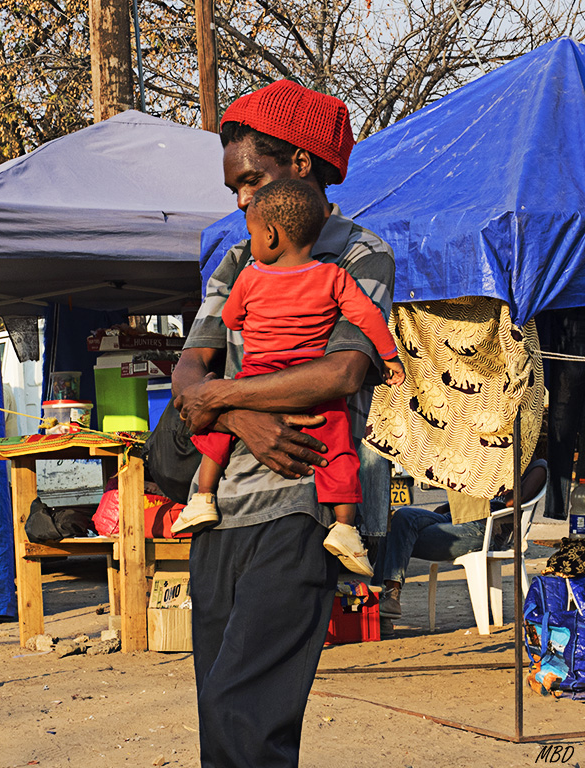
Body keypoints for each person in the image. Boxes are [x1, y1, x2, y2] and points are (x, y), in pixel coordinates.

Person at [170, 79, 396, 768]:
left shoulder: (360, 255)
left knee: (250, 710)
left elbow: (342, 373)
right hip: (220, 515)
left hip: (303, 504)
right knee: (219, 714)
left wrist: (226, 399)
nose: (240, 201)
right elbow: (187, 374)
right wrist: (237, 416)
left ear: (301, 164)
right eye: (235, 187)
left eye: (251, 180)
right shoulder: (237, 259)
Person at [171, 179, 405, 579]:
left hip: (257, 373)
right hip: (308, 382)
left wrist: (243, 328)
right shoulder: (334, 277)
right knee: (340, 453)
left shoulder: (248, 275)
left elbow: (229, 319)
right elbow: (367, 318)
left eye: (251, 233)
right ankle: (346, 527)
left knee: (215, 437)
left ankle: (203, 498)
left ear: (272, 235)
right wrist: (390, 359)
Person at [378, 455, 548, 619]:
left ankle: (390, 597)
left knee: (396, 536)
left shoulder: (537, 467)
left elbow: (513, 501)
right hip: (457, 518)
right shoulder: (496, 460)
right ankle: (384, 603)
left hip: (483, 530)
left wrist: (500, 478)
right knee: (401, 517)